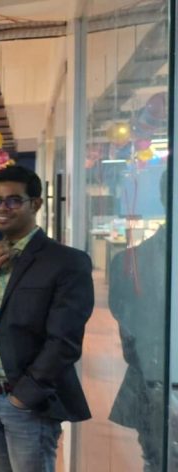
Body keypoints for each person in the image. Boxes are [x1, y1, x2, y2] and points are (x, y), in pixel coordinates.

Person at [0, 166, 93, 472]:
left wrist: (24, 396)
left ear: (36, 204)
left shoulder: (66, 261)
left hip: (26, 402)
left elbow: (64, 342)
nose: (2, 208)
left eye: (14, 200)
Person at [108, 171, 168, 472]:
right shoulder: (129, 262)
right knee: (158, 460)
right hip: (154, 380)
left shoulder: (132, 260)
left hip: (153, 378)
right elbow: (126, 322)